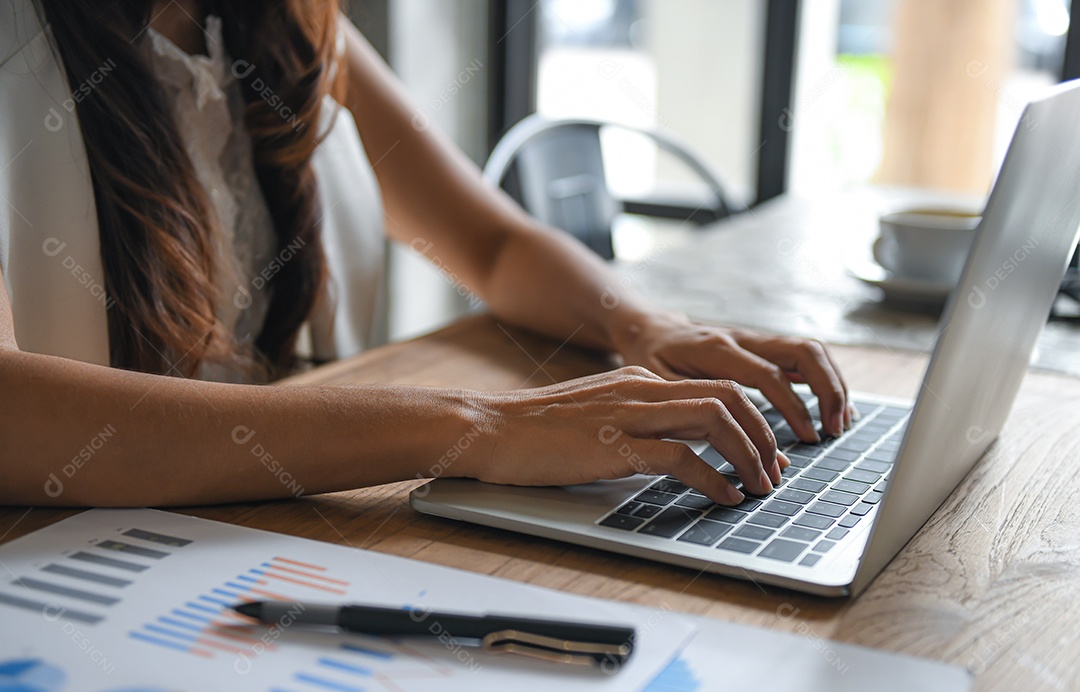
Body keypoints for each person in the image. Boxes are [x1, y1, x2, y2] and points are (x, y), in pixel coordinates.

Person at [0, 0, 851, 508]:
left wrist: (643, 328)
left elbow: (488, 242)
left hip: (262, 528)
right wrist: (474, 426)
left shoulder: (288, 23)